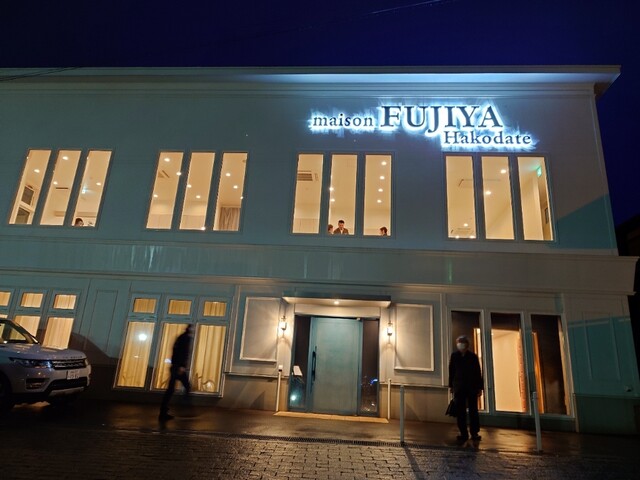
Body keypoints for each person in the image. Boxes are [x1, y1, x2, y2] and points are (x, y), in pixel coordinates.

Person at [448, 335, 483, 442]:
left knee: (473, 411)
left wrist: (479, 387)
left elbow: (478, 372)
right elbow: (451, 371)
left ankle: (474, 432)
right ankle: (463, 433)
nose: (460, 344)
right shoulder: (454, 356)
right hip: (459, 387)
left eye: (462, 342)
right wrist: (451, 386)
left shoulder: (473, 357)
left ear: (467, 344)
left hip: (471, 387)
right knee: (460, 411)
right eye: (459, 342)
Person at [159, 324, 193, 421]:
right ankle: (182, 406)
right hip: (178, 368)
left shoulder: (181, 337)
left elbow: (175, 351)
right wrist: (182, 366)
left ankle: (164, 411)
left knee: (171, 389)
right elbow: (183, 353)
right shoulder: (185, 338)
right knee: (186, 386)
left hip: (175, 366)